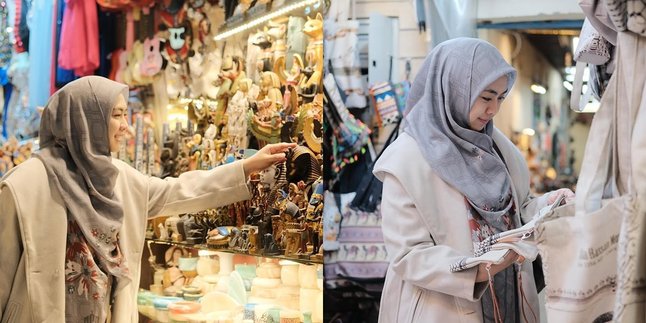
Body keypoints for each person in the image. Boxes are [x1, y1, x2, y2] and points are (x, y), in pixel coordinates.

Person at [0, 76, 295, 322]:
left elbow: (179, 190)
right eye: (116, 115)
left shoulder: (119, 179)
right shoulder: (24, 186)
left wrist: (245, 167)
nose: (126, 127)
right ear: (85, 120)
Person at [373, 38, 574, 323]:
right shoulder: (406, 161)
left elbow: (515, 212)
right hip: (442, 309)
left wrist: (547, 205)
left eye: (501, 98)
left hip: (510, 302)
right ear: (453, 89)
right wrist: (478, 269)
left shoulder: (498, 150)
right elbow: (408, 255)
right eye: (486, 96)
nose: (494, 110)